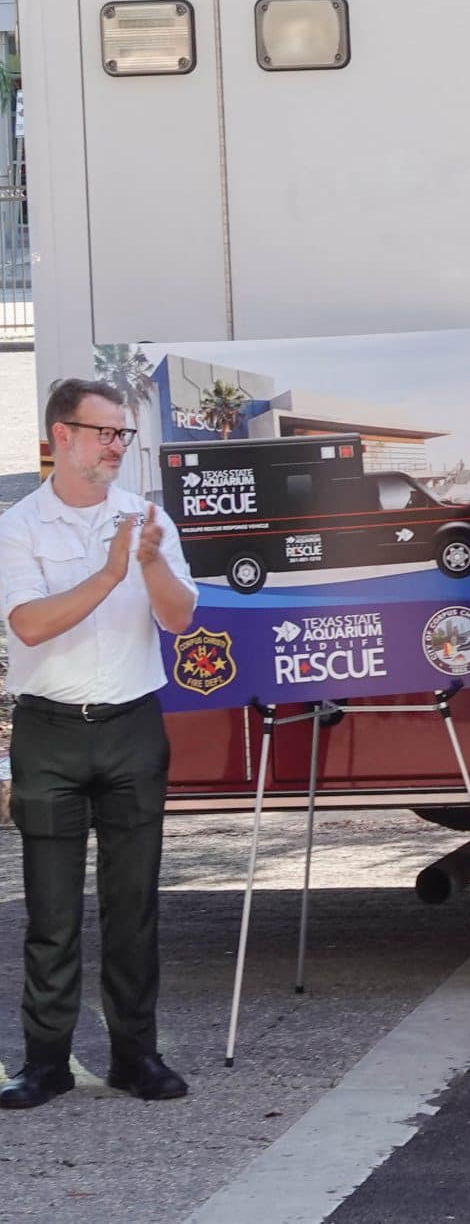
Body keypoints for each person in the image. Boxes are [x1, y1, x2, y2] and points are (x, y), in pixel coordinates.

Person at [0, 379, 197, 1109]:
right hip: (49, 730)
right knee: (50, 911)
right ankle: (45, 1062)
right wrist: (111, 569)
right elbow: (29, 624)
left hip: (131, 726)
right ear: (61, 436)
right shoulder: (20, 525)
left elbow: (179, 619)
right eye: (105, 432)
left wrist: (146, 563)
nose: (118, 446)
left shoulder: (146, 518)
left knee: (133, 903)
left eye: (124, 434)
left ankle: (134, 1056)